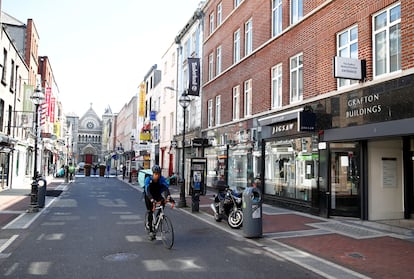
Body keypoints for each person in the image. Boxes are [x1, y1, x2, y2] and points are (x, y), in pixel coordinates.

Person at [144, 164, 173, 240]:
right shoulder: (148, 179)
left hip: (157, 194)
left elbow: (166, 188)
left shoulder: (161, 179)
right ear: (153, 174)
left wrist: (168, 197)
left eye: (159, 174)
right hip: (149, 195)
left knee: (163, 202)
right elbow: (147, 190)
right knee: (150, 211)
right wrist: (151, 199)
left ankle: (158, 218)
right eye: (156, 174)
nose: (157, 176)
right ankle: (150, 230)